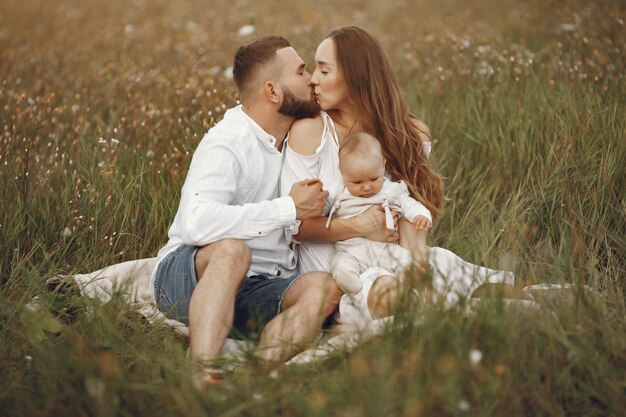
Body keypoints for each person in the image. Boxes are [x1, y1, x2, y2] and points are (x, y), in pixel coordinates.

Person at [281, 26, 531, 325]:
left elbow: (413, 218)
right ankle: (445, 316)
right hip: (339, 265)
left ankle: (450, 307)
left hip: (399, 256)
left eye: (324, 70)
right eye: (314, 70)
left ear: (355, 76)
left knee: (500, 292)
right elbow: (296, 228)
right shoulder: (311, 132)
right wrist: (359, 226)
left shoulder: (411, 133)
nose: (313, 80)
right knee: (392, 297)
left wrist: (417, 260)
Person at [150, 35, 342, 388]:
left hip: (257, 288)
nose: (312, 79)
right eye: (301, 72)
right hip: (186, 278)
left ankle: (255, 378)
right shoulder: (228, 142)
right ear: (272, 92)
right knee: (232, 249)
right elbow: (196, 222)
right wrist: (289, 208)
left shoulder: (298, 138)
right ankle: (201, 372)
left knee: (324, 288)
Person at [325, 131, 432, 295]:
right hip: (351, 250)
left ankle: (407, 274)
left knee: (403, 258)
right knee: (341, 262)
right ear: (342, 172)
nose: (366, 187)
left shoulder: (391, 189)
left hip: (386, 249)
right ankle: (347, 279)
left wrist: (421, 215)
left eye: (374, 179)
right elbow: (322, 207)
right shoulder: (338, 191)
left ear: (383, 165)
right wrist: (318, 201)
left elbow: (408, 203)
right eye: (357, 182)